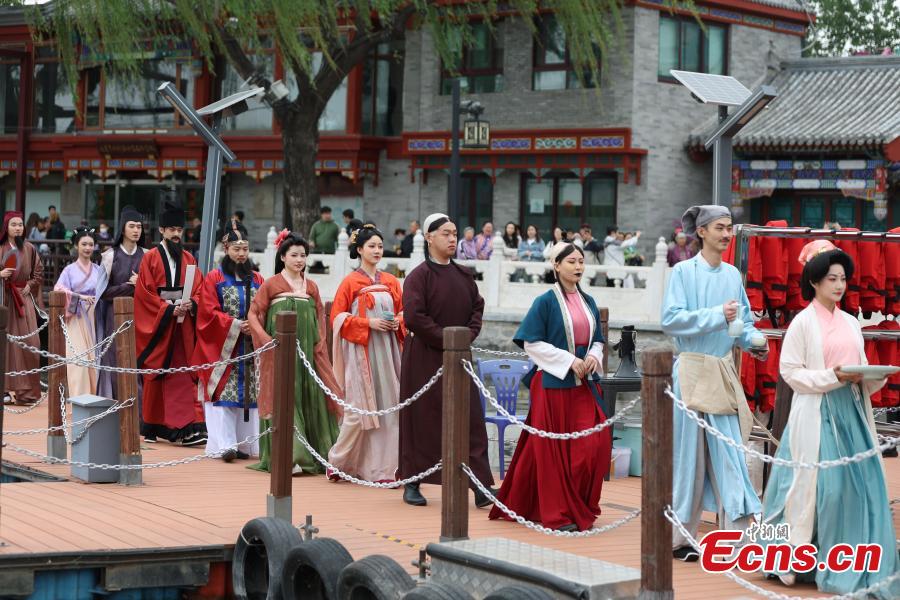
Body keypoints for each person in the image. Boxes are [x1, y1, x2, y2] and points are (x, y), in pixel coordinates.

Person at [759, 241, 899, 595]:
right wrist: (832, 377)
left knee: (860, 489)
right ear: (815, 282)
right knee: (821, 489)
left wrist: (872, 376)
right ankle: (797, 559)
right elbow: (790, 372)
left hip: (850, 412)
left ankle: (849, 559)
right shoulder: (802, 323)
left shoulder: (851, 323)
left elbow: (862, 367)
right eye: (832, 279)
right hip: (815, 413)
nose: (839, 285)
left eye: (843, 279)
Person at [661, 205, 768, 561]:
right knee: (688, 455)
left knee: (730, 452)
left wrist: (755, 342)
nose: (727, 235)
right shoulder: (681, 272)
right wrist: (714, 316)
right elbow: (671, 321)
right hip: (690, 368)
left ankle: (736, 535)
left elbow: (744, 323)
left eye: (729, 228)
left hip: (721, 371)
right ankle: (680, 535)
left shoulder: (733, 275)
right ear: (702, 231)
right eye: (721, 228)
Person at [489, 242, 611, 531]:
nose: (578, 266)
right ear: (556, 265)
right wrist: (569, 361)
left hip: (583, 384)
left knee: (593, 445)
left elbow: (599, 339)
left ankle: (571, 503)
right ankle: (558, 513)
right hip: (553, 383)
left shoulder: (589, 301)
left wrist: (593, 356)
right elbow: (532, 342)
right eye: (571, 262)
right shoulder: (544, 301)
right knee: (553, 449)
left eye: (581, 261)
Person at [398, 212, 495, 507]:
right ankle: (413, 480)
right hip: (425, 358)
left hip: (460, 357)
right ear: (429, 237)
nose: (452, 238)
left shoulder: (464, 275)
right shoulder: (418, 277)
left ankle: (479, 484)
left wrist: (465, 338)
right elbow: (415, 317)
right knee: (422, 419)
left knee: (471, 420)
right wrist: (447, 339)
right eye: (445, 233)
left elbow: (477, 308)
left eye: (454, 233)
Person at [248, 231, 342, 474]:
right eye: (294, 255)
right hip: (280, 350)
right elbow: (254, 314)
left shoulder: (311, 286)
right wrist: (266, 340)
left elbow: (320, 315)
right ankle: (291, 456)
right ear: (282, 257)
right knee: (285, 396)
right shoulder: (270, 285)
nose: (299, 259)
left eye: (303, 255)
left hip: (308, 353)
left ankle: (317, 453)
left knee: (310, 395)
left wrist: (320, 342)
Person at [327, 224, 404, 482]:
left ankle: (385, 470)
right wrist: (368, 323)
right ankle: (338, 461)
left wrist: (398, 322)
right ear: (359, 250)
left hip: (388, 352)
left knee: (390, 410)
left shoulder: (391, 281)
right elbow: (337, 318)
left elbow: (404, 312)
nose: (377, 250)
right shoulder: (350, 282)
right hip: (361, 353)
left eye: (380, 246)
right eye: (371, 246)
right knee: (358, 411)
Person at [134, 196, 206, 446]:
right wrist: (166, 310)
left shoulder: (190, 259)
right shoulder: (150, 258)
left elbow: (199, 289)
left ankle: (185, 425)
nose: (176, 234)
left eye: (179, 230)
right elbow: (145, 294)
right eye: (171, 230)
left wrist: (192, 304)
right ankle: (154, 424)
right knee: (157, 372)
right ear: (162, 231)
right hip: (160, 323)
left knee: (183, 374)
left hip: (183, 324)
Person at [193, 229, 264, 462]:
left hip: (251, 346)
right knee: (224, 395)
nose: (242, 254)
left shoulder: (257, 279)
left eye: (245, 249)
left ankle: (246, 444)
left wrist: (254, 324)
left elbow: (265, 307)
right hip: (224, 347)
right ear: (226, 250)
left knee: (249, 396)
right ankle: (225, 445)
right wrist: (234, 324)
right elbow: (207, 313)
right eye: (236, 249)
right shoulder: (214, 278)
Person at [96, 206, 146, 400]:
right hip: (113, 317)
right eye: (132, 226)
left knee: (140, 363)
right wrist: (130, 286)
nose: (136, 230)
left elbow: (155, 289)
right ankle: (118, 409)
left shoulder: (148, 255)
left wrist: (140, 284)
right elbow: (103, 293)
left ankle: (140, 415)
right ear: (123, 229)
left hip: (142, 317)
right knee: (116, 362)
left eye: (139, 227)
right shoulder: (110, 256)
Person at [53, 227, 105, 398]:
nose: (88, 248)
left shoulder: (99, 270)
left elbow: (105, 291)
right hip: (76, 316)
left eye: (91, 244)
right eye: (84, 244)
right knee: (78, 360)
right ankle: (79, 400)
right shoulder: (69, 270)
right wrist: (78, 296)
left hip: (95, 316)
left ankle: (95, 398)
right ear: (76, 245)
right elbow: (58, 289)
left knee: (96, 358)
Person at [1, 212, 44, 405]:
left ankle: (27, 392)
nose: (18, 228)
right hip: (4, 300)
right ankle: (4, 390)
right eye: (13, 225)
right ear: (6, 228)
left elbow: (39, 271)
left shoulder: (29, 248)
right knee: (6, 345)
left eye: (20, 224)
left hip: (23, 299)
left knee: (31, 343)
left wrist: (31, 285)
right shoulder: (1, 248)